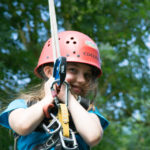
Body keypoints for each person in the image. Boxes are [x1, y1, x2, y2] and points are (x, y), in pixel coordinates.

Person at [0, 30, 109, 150]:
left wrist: (70, 100)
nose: (82, 80)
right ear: (49, 72)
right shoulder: (23, 105)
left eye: (87, 75)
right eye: (73, 70)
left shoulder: (88, 111)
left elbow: (93, 136)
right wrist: (48, 98)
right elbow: (22, 125)